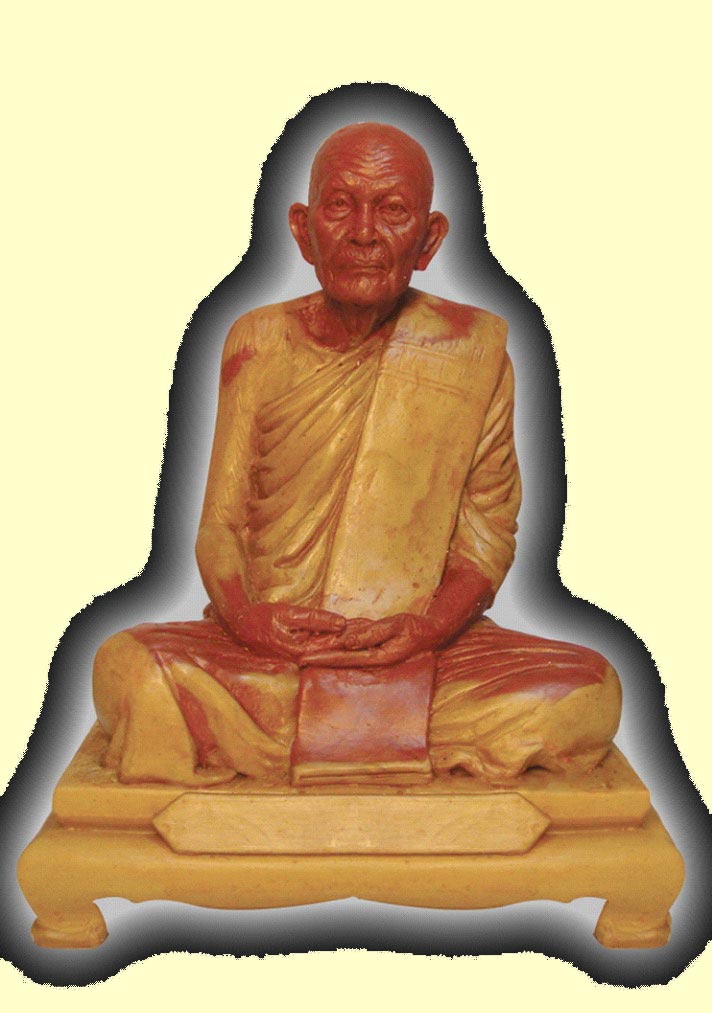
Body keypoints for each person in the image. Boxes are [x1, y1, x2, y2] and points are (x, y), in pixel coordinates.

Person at [93, 123, 621, 787]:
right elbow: (220, 527)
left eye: (392, 210)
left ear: (428, 239)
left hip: (416, 651)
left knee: (589, 690)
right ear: (303, 229)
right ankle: (367, 737)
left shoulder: (470, 351)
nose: (364, 233)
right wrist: (252, 621)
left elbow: (485, 541)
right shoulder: (258, 342)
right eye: (340, 206)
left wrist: (426, 628)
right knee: (125, 667)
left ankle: (291, 738)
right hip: (272, 650)